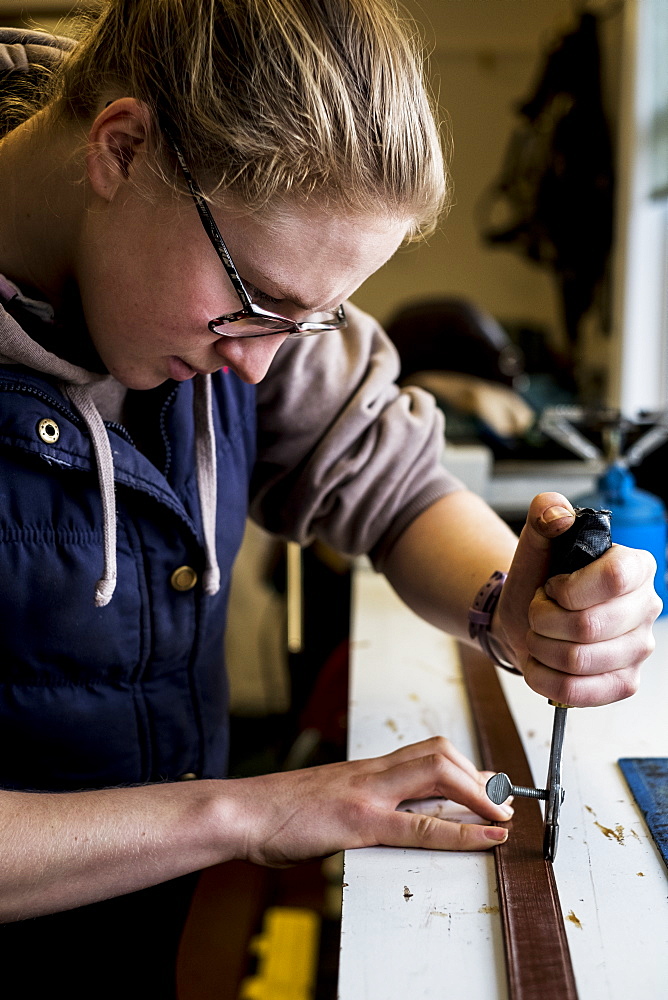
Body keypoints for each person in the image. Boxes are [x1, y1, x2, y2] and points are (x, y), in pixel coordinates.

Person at [0, 2, 660, 995]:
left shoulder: (219, 272)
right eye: (256, 301)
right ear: (121, 147)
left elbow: (387, 481)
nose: (257, 369)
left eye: (308, 321)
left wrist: (509, 608)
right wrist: (252, 813)